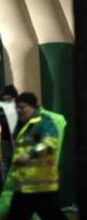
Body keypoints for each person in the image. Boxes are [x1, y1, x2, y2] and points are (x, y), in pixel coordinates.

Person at [8, 92, 65, 220]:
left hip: (40, 188)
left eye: (22, 107)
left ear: (33, 107)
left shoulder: (43, 123)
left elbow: (50, 143)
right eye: (17, 107)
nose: (19, 111)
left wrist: (29, 154)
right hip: (27, 187)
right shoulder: (27, 126)